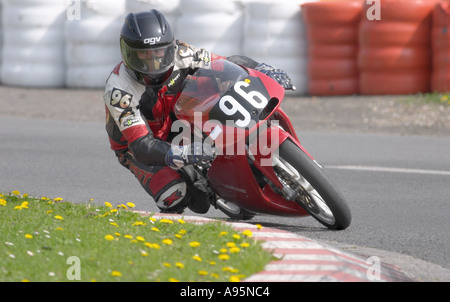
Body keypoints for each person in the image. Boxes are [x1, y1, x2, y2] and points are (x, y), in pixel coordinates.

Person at [103, 9, 295, 214]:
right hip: (139, 146)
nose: (153, 62)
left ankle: (244, 152)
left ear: (170, 47)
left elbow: (225, 63)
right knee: (176, 196)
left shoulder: (181, 53)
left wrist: (263, 69)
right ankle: (209, 188)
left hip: (177, 116)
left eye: (159, 52)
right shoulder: (119, 89)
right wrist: (182, 153)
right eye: (144, 54)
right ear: (128, 53)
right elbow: (142, 146)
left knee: (217, 80)